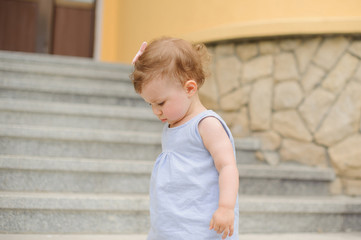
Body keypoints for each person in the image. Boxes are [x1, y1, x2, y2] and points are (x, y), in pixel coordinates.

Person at [131, 37, 239, 240]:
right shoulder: (174, 123)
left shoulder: (206, 124)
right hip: (172, 221)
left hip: (200, 224)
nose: (156, 111)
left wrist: (226, 207)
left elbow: (227, 166)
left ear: (189, 88)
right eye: (150, 104)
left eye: (161, 103)